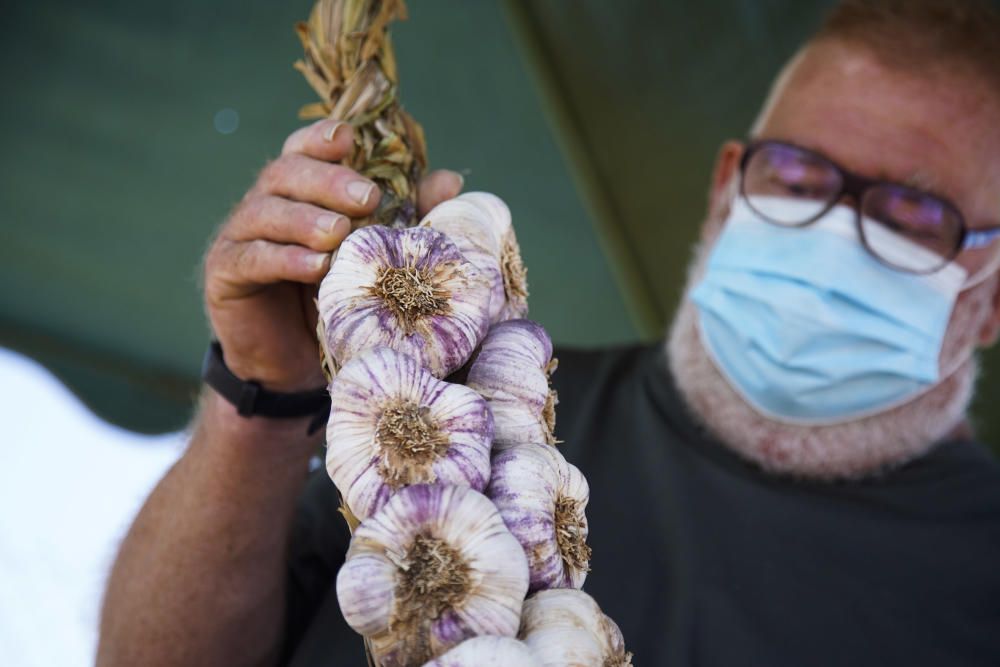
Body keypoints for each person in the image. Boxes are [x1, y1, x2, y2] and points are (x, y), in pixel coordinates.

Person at [96, 1, 1000, 665]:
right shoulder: (475, 399)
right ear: (731, 184)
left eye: (915, 215)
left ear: (992, 300)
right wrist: (258, 394)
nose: (836, 228)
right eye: (799, 175)